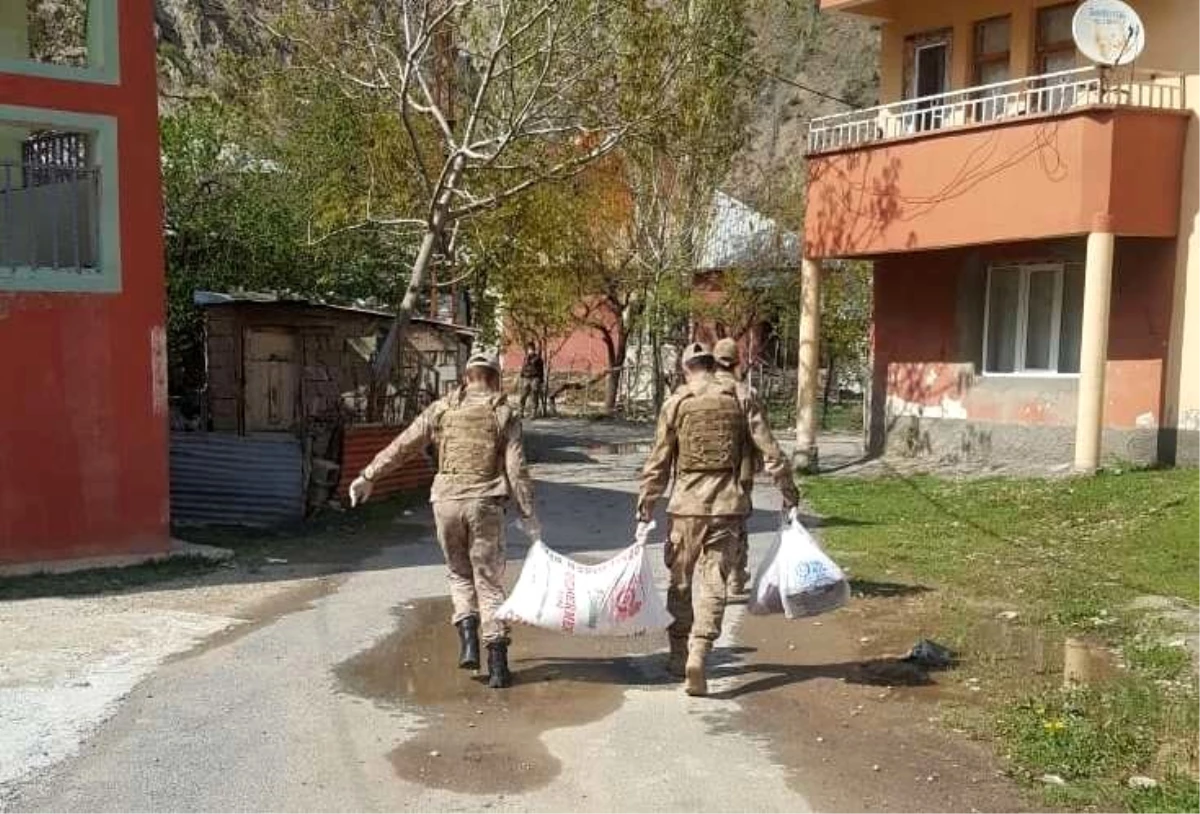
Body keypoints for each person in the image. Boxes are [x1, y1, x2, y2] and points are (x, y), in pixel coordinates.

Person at [349, 351, 539, 689]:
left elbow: (404, 445)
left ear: (466, 377)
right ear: (494, 379)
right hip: (484, 504)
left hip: (446, 502)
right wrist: (528, 514)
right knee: (489, 581)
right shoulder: (504, 413)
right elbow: (516, 469)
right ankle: (497, 664)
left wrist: (368, 475)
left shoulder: (442, 409)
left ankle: (468, 639)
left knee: (459, 574)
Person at [637, 341, 799, 697]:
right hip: (728, 506)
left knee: (680, 582)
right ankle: (700, 651)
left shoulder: (676, 402)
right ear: (713, 364)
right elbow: (770, 451)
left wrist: (645, 504)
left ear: (685, 368)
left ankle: (679, 657)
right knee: (714, 582)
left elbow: (659, 461)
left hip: (685, 508)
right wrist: (789, 492)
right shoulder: (741, 396)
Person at [713, 338, 759, 595]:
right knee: (738, 525)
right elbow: (760, 435)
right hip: (740, 471)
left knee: (710, 523)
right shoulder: (745, 394)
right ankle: (735, 576)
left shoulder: (698, 392)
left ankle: (714, 575)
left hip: (704, 471)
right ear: (736, 363)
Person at [518, 343, 545, 418]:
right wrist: (521, 375)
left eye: (531, 349)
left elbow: (541, 370)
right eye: (529, 349)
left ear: (534, 349)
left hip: (535, 378)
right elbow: (523, 367)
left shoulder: (538, 358)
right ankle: (521, 412)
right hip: (526, 378)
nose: (530, 351)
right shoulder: (526, 358)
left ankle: (533, 412)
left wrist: (541, 380)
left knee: (534, 394)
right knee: (523, 395)